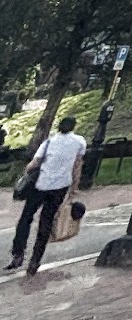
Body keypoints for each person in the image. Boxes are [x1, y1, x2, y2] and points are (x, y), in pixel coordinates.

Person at [8, 114, 85, 276]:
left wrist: (26, 171)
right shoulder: (79, 142)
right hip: (61, 187)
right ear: (73, 127)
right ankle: (35, 260)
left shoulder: (49, 143)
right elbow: (77, 165)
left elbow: (33, 165)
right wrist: (74, 188)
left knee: (26, 218)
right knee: (46, 221)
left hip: (40, 186)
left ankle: (18, 253)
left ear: (59, 127)